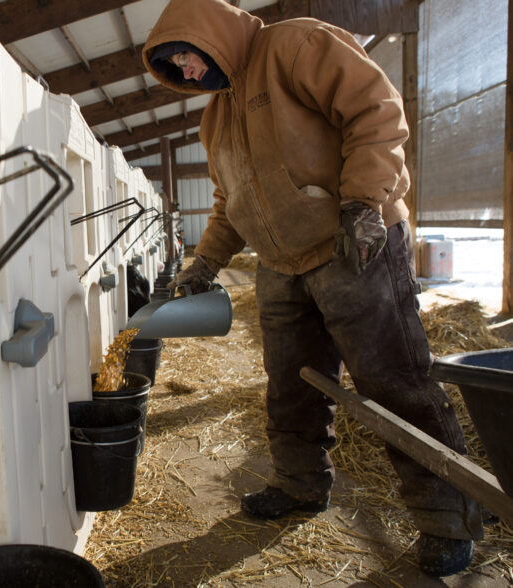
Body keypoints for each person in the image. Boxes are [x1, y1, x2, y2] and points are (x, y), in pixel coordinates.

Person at [143, 0, 483, 577]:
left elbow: (376, 110)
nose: (188, 72)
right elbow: (229, 202)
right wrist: (204, 265)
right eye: (175, 65)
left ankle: (448, 515)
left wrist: (362, 202)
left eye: (187, 56)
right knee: (292, 382)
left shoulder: (295, 45)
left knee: (393, 378)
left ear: (211, 34)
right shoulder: (215, 116)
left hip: (353, 242)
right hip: (280, 261)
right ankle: (300, 484)